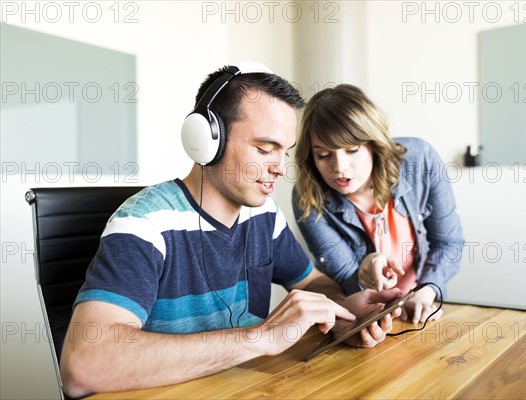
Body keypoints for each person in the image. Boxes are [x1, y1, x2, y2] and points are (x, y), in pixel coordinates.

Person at [60, 65, 401, 398]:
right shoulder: (144, 225)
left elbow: (311, 282)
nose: (280, 169)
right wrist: (261, 337)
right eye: (265, 150)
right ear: (208, 140)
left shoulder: (264, 215)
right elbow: (84, 366)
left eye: (283, 152)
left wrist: (343, 310)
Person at [292, 84, 464, 326]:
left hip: (425, 305)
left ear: (373, 144)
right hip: (369, 315)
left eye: (352, 150)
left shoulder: (421, 160)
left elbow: (449, 243)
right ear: (311, 156)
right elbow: (345, 276)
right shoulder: (307, 197)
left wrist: (425, 292)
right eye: (323, 155)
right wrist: (367, 276)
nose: (340, 167)